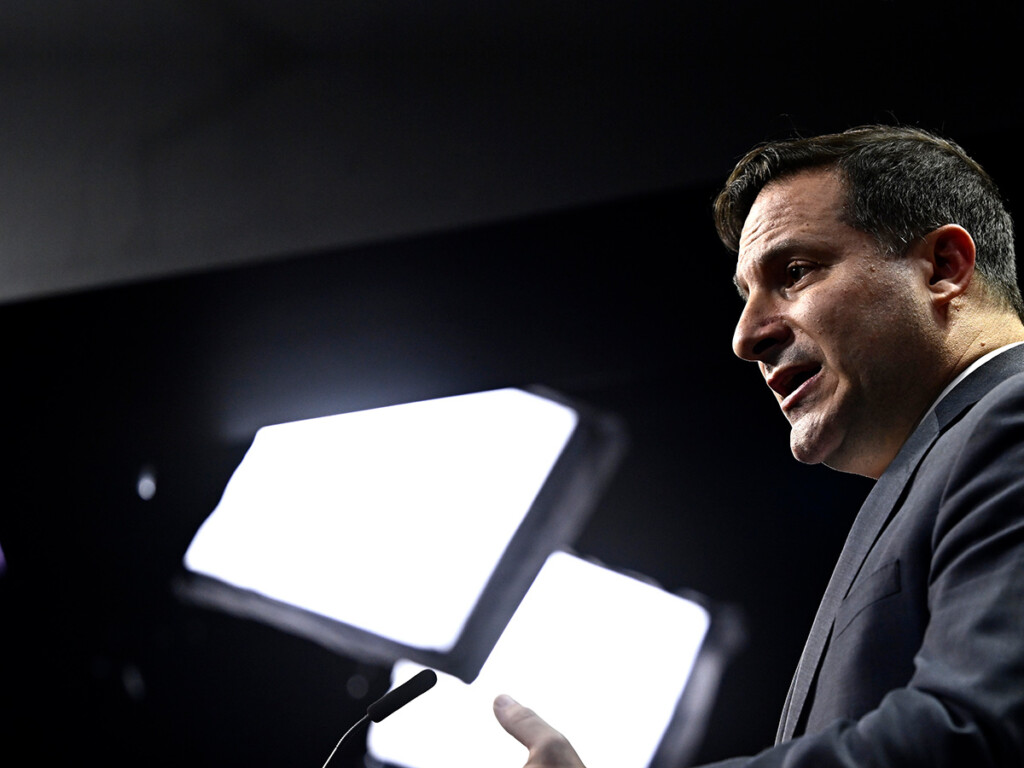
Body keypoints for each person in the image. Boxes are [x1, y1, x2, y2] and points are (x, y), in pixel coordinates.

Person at [491, 125, 1024, 766]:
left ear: (943, 268)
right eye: (746, 296)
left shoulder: (1008, 418)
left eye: (794, 273)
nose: (745, 337)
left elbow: (976, 736)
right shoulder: (946, 460)